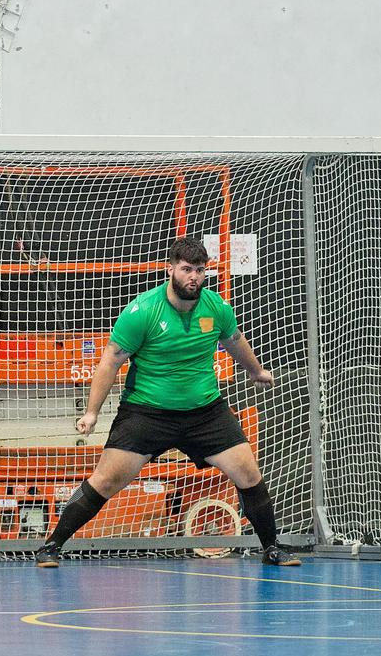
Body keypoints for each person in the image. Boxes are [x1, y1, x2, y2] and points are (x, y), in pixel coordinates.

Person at [34, 236, 300, 567]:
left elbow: (234, 340)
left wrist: (257, 370)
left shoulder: (216, 308)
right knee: (106, 480)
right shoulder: (143, 311)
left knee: (247, 472)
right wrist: (91, 413)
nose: (194, 277)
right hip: (147, 414)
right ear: (170, 269)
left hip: (205, 413)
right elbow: (110, 361)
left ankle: (272, 547)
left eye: (200, 271)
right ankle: (52, 546)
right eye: (187, 269)